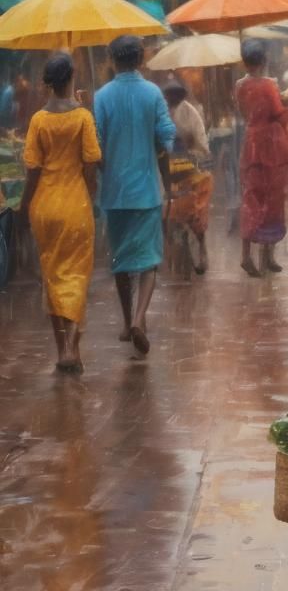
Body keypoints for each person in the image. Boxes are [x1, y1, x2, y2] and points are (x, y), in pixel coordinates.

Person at [93, 35, 176, 357]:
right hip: (146, 191)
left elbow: (95, 144)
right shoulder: (152, 93)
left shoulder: (102, 96)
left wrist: (107, 170)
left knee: (120, 262)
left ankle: (128, 323)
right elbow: (167, 135)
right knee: (149, 263)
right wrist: (153, 153)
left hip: (115, 194)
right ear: (141, 59)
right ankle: (141, 317)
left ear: (112, 60)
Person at [21, 54, 101, 372]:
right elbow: (92, 161)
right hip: (75, 205)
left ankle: (62, 350)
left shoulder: (39, 120)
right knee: (77, 276)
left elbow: (32, 168)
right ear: (71, 78)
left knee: (52, 276)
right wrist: (91, 190)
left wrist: (24, 206)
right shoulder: (82, 117)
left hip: (45, 206)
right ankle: (72, 347)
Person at [237, 39, 288, 277]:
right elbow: (278, 114)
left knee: (251, 198)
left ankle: (247, 255)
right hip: (271, 146)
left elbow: (243, 112)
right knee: (272, 198)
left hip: (250, 145)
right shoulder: (270, 85)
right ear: (263, 61)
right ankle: (267, 256)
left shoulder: (240, 85)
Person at [163, 81, 213, 275]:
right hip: (170, 168)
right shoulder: (163, 112)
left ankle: (201, 249)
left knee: (195, 213)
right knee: (171, 213)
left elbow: (201, 142)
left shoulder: (190, 113)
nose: (170, 103)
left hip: (191, 168)